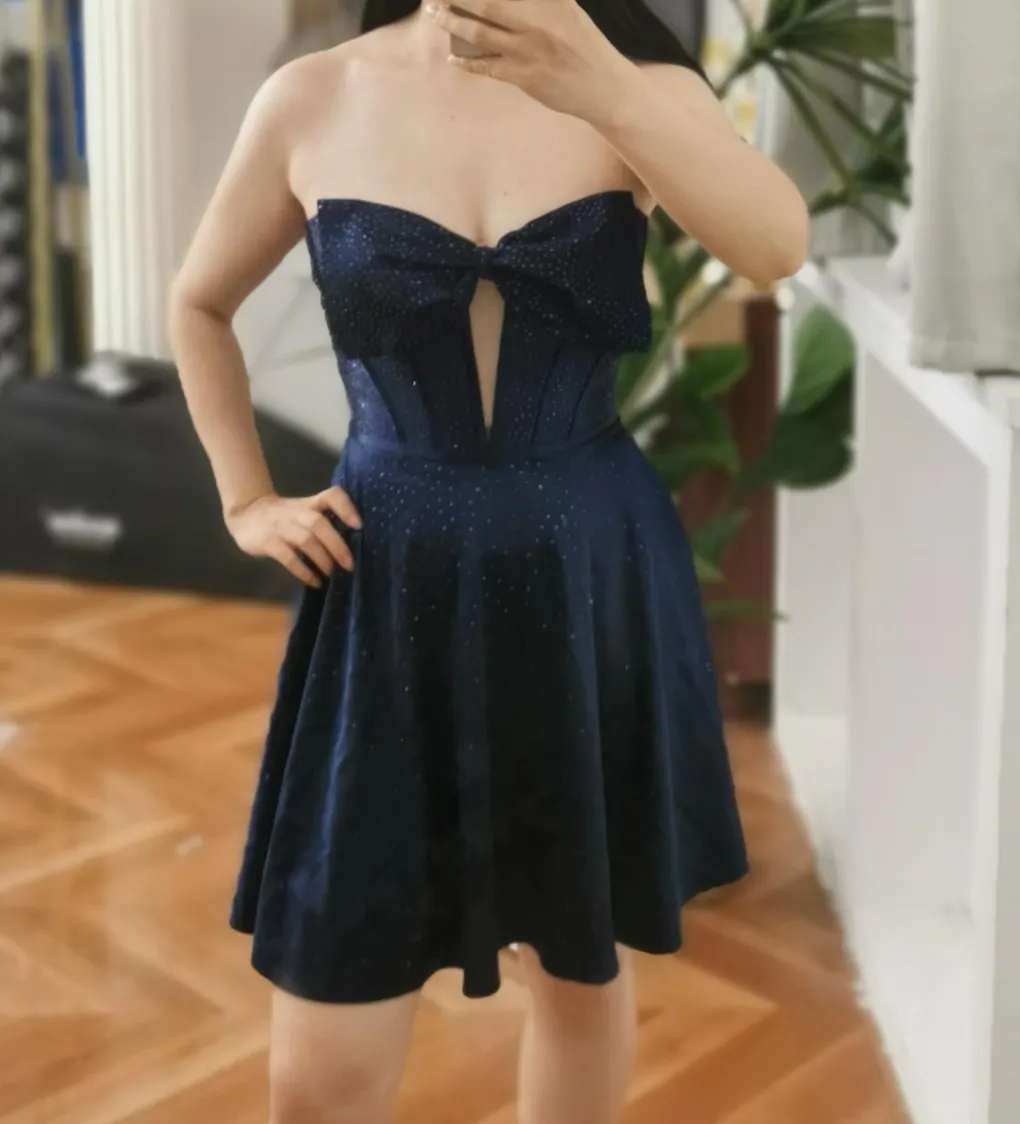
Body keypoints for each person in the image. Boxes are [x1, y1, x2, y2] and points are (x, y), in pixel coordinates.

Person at [168, 1, 808, 1121]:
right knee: (319, 1058)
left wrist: (604, 87)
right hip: (387, 584)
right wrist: (245, 498)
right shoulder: (313, 96)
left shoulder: (639, 86)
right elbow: (199, 302)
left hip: (586, 576)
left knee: (576, 972)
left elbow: (775, 247)